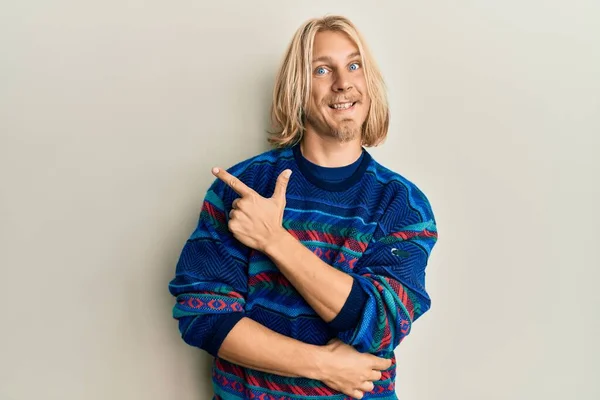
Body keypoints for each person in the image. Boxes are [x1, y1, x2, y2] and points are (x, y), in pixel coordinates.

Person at [168, 15, 439, 400]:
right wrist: (324, 365)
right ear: (298, 87)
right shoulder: (244, 188)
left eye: (354, 65)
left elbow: (379, 322)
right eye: (322, 69)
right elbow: (204, 314)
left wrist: (273, 240)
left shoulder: (401, 205)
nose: (343, 83)